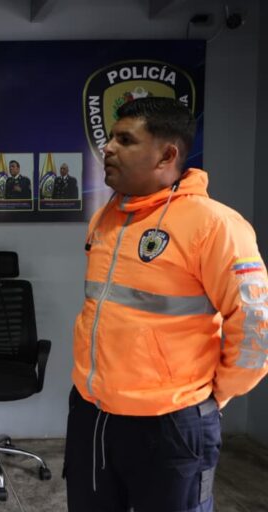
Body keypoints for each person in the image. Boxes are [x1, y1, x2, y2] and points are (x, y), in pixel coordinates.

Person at [65, 97, 268, 512]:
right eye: (110, 138)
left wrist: (210, 398)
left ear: (167, 155)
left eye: (125, 140)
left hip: (171, 424)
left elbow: (256, 326)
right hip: (92, 413)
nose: (108, 148)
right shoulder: (105, 218)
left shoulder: (214, 225)